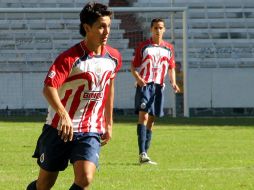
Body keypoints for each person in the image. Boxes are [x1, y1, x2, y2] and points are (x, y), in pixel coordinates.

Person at [27, 2, 122, 190]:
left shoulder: (113, 57)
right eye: (101, 26)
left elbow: (109, 88)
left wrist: (108, 123)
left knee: (85, 178)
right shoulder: (70, 58)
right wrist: (63, 115)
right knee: (44, 184)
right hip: (58, 129)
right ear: (87, 28)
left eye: (109, 26)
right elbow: (48, 87)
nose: (106, 31)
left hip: (90, 129)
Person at [131, 18, 180, 165]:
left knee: (152, 120)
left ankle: (145, 154)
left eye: (161, 28)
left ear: (164, 30)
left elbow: (171, 67)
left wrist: (173, 82)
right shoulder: (144, 46)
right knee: (144, 117)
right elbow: (133, 67)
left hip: (159, 87)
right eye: (156, 28)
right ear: (151, 30)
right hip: (145, 86)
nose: (158, 30)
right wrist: (138, 78)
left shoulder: (169, 48)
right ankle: (142, 153)